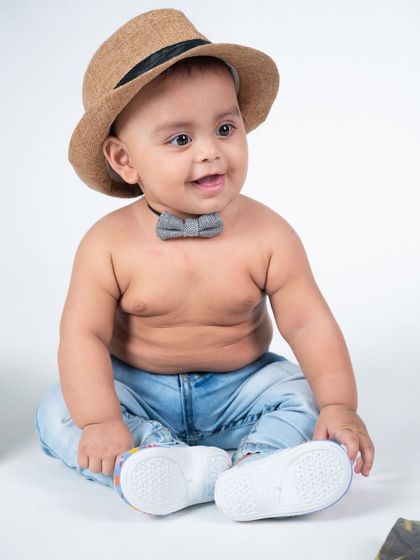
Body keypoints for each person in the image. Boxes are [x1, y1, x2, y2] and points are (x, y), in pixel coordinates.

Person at [35, 8, 374, 521]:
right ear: (124, 160)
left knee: (303, 395)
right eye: (180, 139)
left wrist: (340, 406)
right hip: (139, 390)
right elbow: (83, 337)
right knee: (59, 411)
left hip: (240, 387)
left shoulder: (269, 233)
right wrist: (103, 419)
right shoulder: (107, 244)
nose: (211, 152)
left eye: (224, 128)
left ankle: (257, 466)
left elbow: (307, 322)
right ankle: (150, 457)